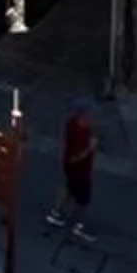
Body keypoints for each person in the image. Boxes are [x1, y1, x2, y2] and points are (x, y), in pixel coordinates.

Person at [49, 99, 97, 239]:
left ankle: (55, 213)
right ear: (84, 115)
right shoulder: (80, 133)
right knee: (83, 200)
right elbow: (76, 157)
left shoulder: (71, 123)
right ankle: (79, 226)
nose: (92, 116)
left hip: (70, 167)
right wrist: (90, 148)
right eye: (90, 114)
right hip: (80, 171)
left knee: (68, 188)